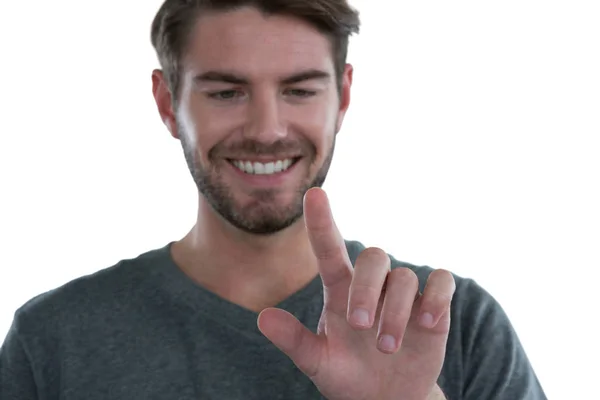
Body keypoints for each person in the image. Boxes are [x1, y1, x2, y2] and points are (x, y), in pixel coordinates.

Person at [0, 1, 547, 399]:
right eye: (225, 92)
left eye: (300, 90)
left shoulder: (449, 324)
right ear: (168, 103)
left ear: (344, 96)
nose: (267, 130)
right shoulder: (55, 338)